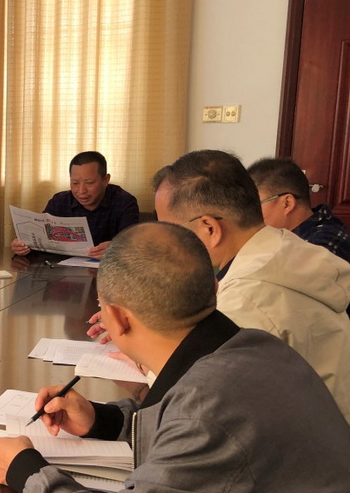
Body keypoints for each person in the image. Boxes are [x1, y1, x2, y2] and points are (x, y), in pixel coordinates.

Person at [0, 222, 350, 493]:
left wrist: (26, 471)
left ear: (117, 318)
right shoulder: (252, 345)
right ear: (212, 289)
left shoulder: (211, 409)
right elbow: (186, 418)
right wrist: (104, 420)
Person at [146, 149, 350, 419]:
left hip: (303, 437)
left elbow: (190, 394)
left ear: (209, 228)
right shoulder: (287, 248)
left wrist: (141, 348)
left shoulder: (247, 300)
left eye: (170, 231)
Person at [11, 151, 138, 258]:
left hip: (105, 273)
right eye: (75, 183)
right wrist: (22, 246)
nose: (81, 191)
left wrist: (115, 250)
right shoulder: (59, 201)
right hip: (63, 271)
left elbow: (134, 247)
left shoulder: (124, 202)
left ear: (105, 180)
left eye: (89, 183)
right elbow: (40, 238)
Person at [247, 157, 350, 264]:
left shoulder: (320, 246)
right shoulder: (282, 237)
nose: (249, 214)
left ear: (287, 203)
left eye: (255, 205)